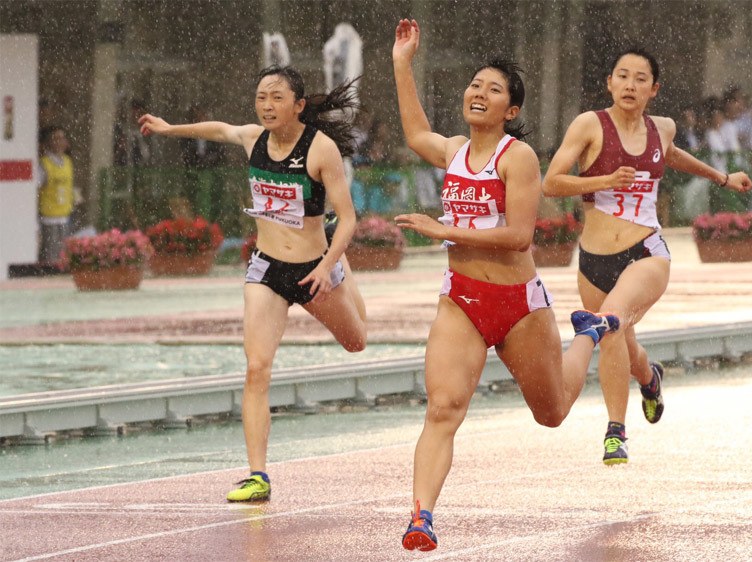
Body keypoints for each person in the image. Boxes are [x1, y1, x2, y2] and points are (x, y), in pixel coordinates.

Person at [391, 19, 619, 551]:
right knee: (444, 408)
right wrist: (403, 64)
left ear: (510, 111)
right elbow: (413, 132)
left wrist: (442, 229)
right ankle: (421, 515)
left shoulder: (518, 158)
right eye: (475, 85)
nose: (479, 92)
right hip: (462, 301)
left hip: (518, 304)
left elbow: (518, 236)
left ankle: (589, 331)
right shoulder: (451, 151)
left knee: (553, 413)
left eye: (493, 89)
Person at [139, 65, 367, 502]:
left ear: (299, 106)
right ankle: (257, 474)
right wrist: (169, 129)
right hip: (266, 268)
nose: (267, 104)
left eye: (277, 97)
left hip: (314, 269)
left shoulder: (320, 150)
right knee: (256, 368)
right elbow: (219, 129)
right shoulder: (253, 139)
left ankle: (344, 270)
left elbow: (349, 217)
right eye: (262, 96)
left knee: (357, 342)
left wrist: (328, 266)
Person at [542, 47, 752, 466]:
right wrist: (604, 178)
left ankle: (615, 432)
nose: (630, 85)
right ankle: (649, 378)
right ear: (609, 83)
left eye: (640, 79)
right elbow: (552, 183)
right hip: (593, 259)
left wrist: (722, 178)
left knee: (609, 325)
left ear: (653, 89)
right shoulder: (589, 125)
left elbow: (670, 155)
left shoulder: (663, 128)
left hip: (646, 253)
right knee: (623, 344)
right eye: (622, 76)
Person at [37, 125, 75, 263]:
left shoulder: (67, 162)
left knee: (64, 255)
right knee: (51, 255)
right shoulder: (44, 164)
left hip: (65, 215)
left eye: (62, 138)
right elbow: (36, 188)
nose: (60, 141)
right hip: (49, 217)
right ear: (49, 142)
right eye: (56, 138)